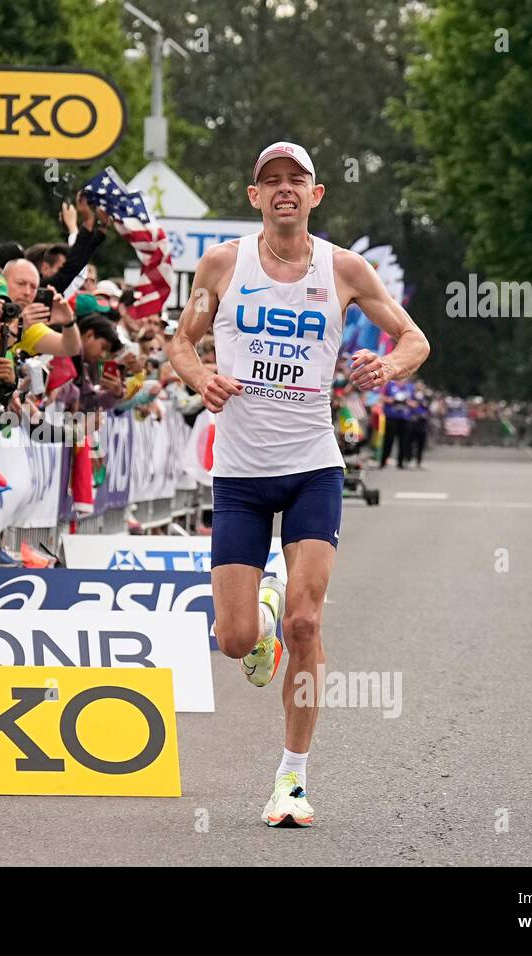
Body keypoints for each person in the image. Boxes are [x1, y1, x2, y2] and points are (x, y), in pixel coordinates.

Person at [167, 141, 429, 827]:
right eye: (270, 181)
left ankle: (291, 780)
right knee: (232, 638)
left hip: (313, 462)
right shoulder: (224, 263)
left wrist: (386, 367)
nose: (284, 189)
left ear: (316, 195)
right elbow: (179, 341)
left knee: (308, 621)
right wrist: (202, 379)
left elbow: (414, 340)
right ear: (254, 196)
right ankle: (263, 617)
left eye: (297, 180)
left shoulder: (345, 268)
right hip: (242, 474)